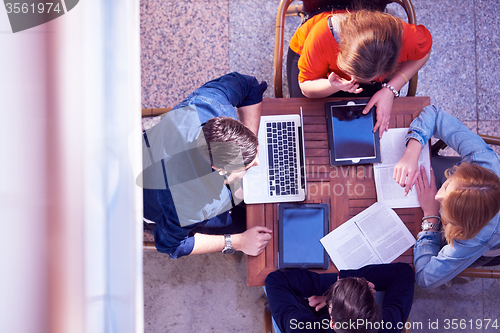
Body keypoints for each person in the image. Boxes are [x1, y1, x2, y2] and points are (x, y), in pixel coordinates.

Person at [140, 72, 272, 259]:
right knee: (251, 222)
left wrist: (247, 145)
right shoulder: (187, 204)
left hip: (143, 152)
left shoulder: (209, 102)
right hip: (145, 200)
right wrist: (238, 241)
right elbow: (170, 245)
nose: (257, 162)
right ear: (220, 170)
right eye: (247, 166)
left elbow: (249, 86)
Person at [393, 105, 500, 289]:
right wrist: (411, 153)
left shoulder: (476, 237)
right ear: (467, 171)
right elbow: (434, 114)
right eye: (448, 184)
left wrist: (431, 217)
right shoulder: (483, 159)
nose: (437, 196)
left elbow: (426, 278)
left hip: (486, 248)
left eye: (446, 207)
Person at [288, 3, 432, 137]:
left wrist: (390, 89)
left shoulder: (405, 37)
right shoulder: (321, 36)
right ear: (341, 55)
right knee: (305, 122)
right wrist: (331, 85)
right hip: (313, 59)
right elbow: (306, 87)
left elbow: (424, 53)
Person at [265, 263, 414, 333]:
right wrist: (348, 285)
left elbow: (275, 281)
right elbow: (404, 272)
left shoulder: (301, 328)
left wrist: (336, 282)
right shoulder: (388, 324)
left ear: (333, 323)